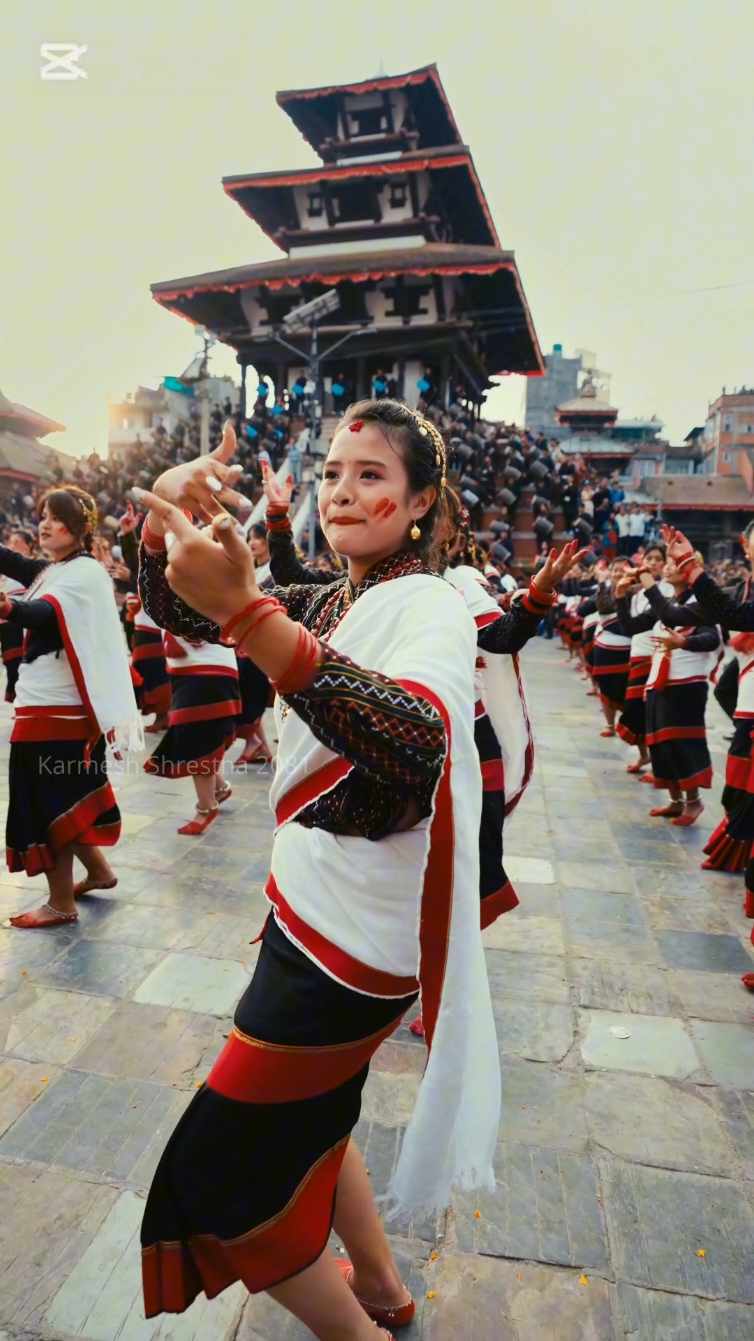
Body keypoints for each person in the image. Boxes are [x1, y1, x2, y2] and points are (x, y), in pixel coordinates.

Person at [134, 404, 498, 1340]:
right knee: (318, 1119)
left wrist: (251, 611)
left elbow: (416, 742)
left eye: (372, 475)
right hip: (311, 917)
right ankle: (381, 1288)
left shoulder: (431, 605)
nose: (342, 490)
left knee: (223, 1175)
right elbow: (182, 605)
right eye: (333, 472)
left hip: (350, 950)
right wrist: (163, 522)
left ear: (421, 502)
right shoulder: (338, 597)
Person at [0, 487, 141, 928]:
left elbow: (43, 614)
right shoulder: (53, 570)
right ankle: (98, 872)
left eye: (56, 517)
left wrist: (8, 607)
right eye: (42, 515)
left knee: (45, 804)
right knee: (59, 796)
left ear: (79, 527)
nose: (44, 524)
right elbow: (12, 562)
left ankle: (61, 903)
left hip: (58, 712)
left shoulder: (84, 573)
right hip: (45, 704)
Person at [620, 553, 721, 826]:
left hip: (687, 682)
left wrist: (683, 643)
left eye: (675, 563)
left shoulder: (701, 603)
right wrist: (620, 598)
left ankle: (694, 801)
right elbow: (631, 626)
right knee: (660, 743)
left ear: (690, 569)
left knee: (680, 742)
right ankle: (676, 801)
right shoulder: (669, 604)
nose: (668, 567)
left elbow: (712, 638)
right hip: (660, 679)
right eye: (668, 562)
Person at [614, 544, 673, 775]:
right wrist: (619, 596)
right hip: (637, 655)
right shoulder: (638, 591)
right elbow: (629, 626)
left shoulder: (666, 590)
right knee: (636, 711)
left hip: (656, 656)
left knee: (652, 714)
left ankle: (657, 766)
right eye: (650, 558)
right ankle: (645, 756)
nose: (654, 563)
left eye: (659, 559)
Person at [591, 561, 632, 736]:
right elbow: (601, 607)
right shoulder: (604, 592)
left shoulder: (636, 592)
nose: (618, 574)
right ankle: (609, 724)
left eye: (622, 571)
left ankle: (630, 726)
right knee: (606, 687)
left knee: (626, 689)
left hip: (628, 650)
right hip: (605, 650)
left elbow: (626, 624)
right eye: (615, 570)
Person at [0, 530, 36, 702]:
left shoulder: (34, 565)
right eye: (12, 541)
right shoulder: (7, 568)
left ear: (28, 544)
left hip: (24, 616)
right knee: (12, 663)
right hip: (6, 621)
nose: (13, 544)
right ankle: (17, 699)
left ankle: (26, 698)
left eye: (18, 540)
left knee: (26, 661)